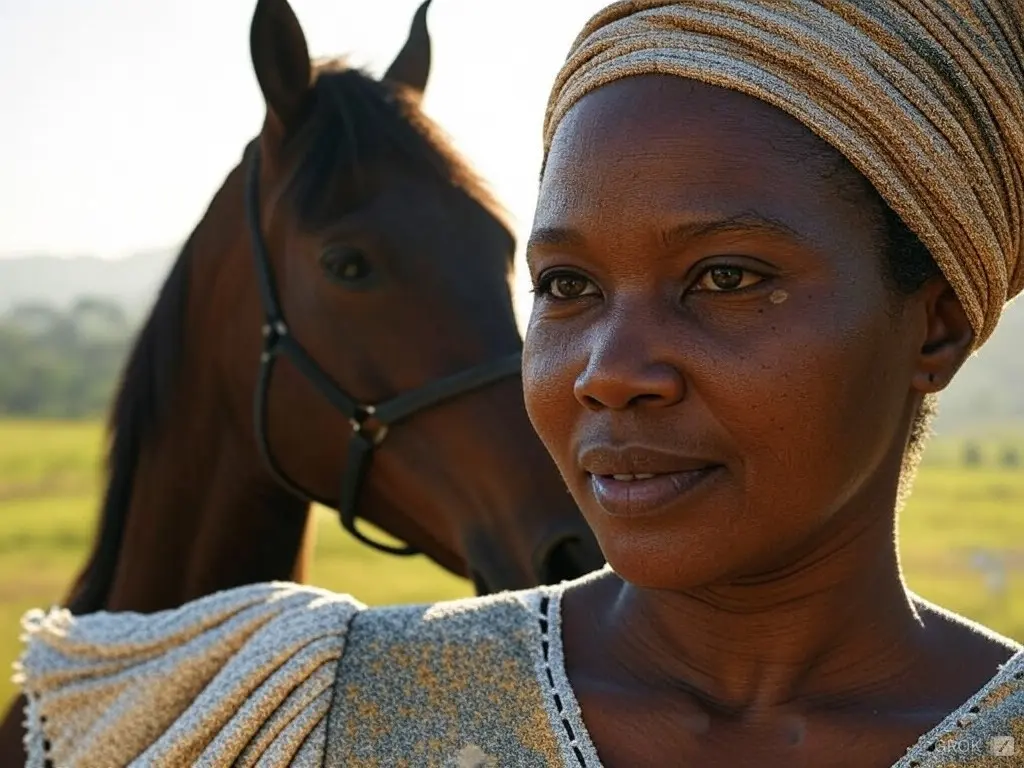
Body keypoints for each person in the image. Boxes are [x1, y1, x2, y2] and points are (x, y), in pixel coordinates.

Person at [13, 1, 1024, 766]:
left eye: (726, 278)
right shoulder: (306, 711)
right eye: (566, 286)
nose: (608, 373)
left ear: (933, 326)